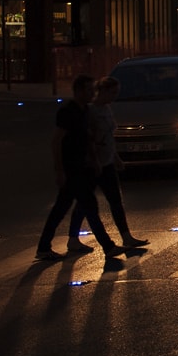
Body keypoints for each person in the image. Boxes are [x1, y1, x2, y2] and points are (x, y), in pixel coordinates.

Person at [35, 74, 138, 263]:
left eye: (93, 89)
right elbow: (56, 141)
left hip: (84, 166)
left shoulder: (83, 111)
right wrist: (59, 170)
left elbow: (88, 138)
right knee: (88, 207)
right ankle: (107, 246)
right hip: (72, 168)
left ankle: (44, 246)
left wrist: (95, 160)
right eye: (89, 90)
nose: (92, 93)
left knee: (63, 208)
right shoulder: (68, 111)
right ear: (79, 91)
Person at [66, 76, 147, 253]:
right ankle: (73, 238)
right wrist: (95, 160)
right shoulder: (92, 111)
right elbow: (90, 139)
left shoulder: (107, 109)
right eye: (112, 92)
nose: (115, 96)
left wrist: (116, 158)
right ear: (102, 91)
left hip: (107, 161)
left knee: (115, 200)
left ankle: (126, 236)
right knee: (85, 203)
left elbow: (109, 137)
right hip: (94, 164)